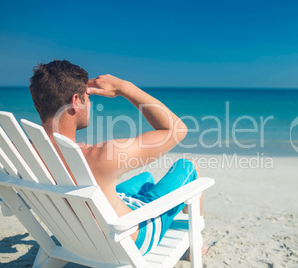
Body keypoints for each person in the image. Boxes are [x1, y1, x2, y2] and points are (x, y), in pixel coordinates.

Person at [29, 59, 202, 255]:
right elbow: (176, 129)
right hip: (129, 240)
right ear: (76, 101)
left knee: (145, 178)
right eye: (88, 96)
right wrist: (124, 88)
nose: (90, 102)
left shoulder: (23, 153)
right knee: (188, 166)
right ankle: (196, 246)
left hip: (73, 237)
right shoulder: (102, 156)